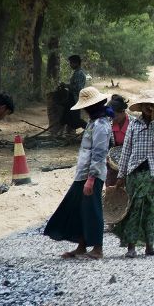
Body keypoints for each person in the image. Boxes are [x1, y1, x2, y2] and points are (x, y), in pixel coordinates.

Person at [45, 87, 112, 259]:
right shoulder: (93, 122)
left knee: (92, 209)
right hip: (82, 173)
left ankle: (97, 248)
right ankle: (81, 245)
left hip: (92, 175)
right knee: (78, 209)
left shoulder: (101, 125)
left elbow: (98, 154)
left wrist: (91, 179)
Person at [113, 94, 154, 258]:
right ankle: (131, 246)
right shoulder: (134, 124)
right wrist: (121, 175)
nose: (150, 108)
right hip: (136, 172)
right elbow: (126, 150)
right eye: (147, 105)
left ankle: (149, 245)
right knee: (134, 208)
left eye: (153, 105)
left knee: (153, 208)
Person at [105, 94, 130, 187]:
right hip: (112, 164)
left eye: (114, 116)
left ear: (122, 112)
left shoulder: (133, 124)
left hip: (130, 163)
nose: (111, 118)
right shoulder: (108, 124)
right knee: (112, 189)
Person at [65, 55, 88, 133]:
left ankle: (91, 130)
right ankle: (70, 134)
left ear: (77, 63)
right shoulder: (76, 73)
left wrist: (67, 86)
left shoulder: (79, 73)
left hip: (75, 99)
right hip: (72, 99)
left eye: (71, 63)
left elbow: (78, 88)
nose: (70, 65)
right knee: (69, 118)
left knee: (76, 120)